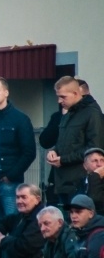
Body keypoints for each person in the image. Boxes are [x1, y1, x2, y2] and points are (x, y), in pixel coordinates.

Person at [46, 76, 104, 207]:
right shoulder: (68, 114)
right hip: (63, 181)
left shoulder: (92, 113)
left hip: (79, 181)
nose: (59, 101)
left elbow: (94, 149)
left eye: (63, 97)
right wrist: (54, 151)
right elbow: (64, 141)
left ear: (75, 93)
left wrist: (63, 159)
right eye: (58, 96)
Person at [0, 77, 37, 218]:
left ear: (6, 93)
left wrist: (10, 176)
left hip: (10, 182)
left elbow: (29, 152)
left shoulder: (20, 119)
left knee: (12, 223)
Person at [81, 147, 104, 215]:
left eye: (102, 160)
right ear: (85, 166)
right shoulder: (78, 184)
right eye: (95, 161)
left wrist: (95, 176)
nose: (99, 164)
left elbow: (96, 200)